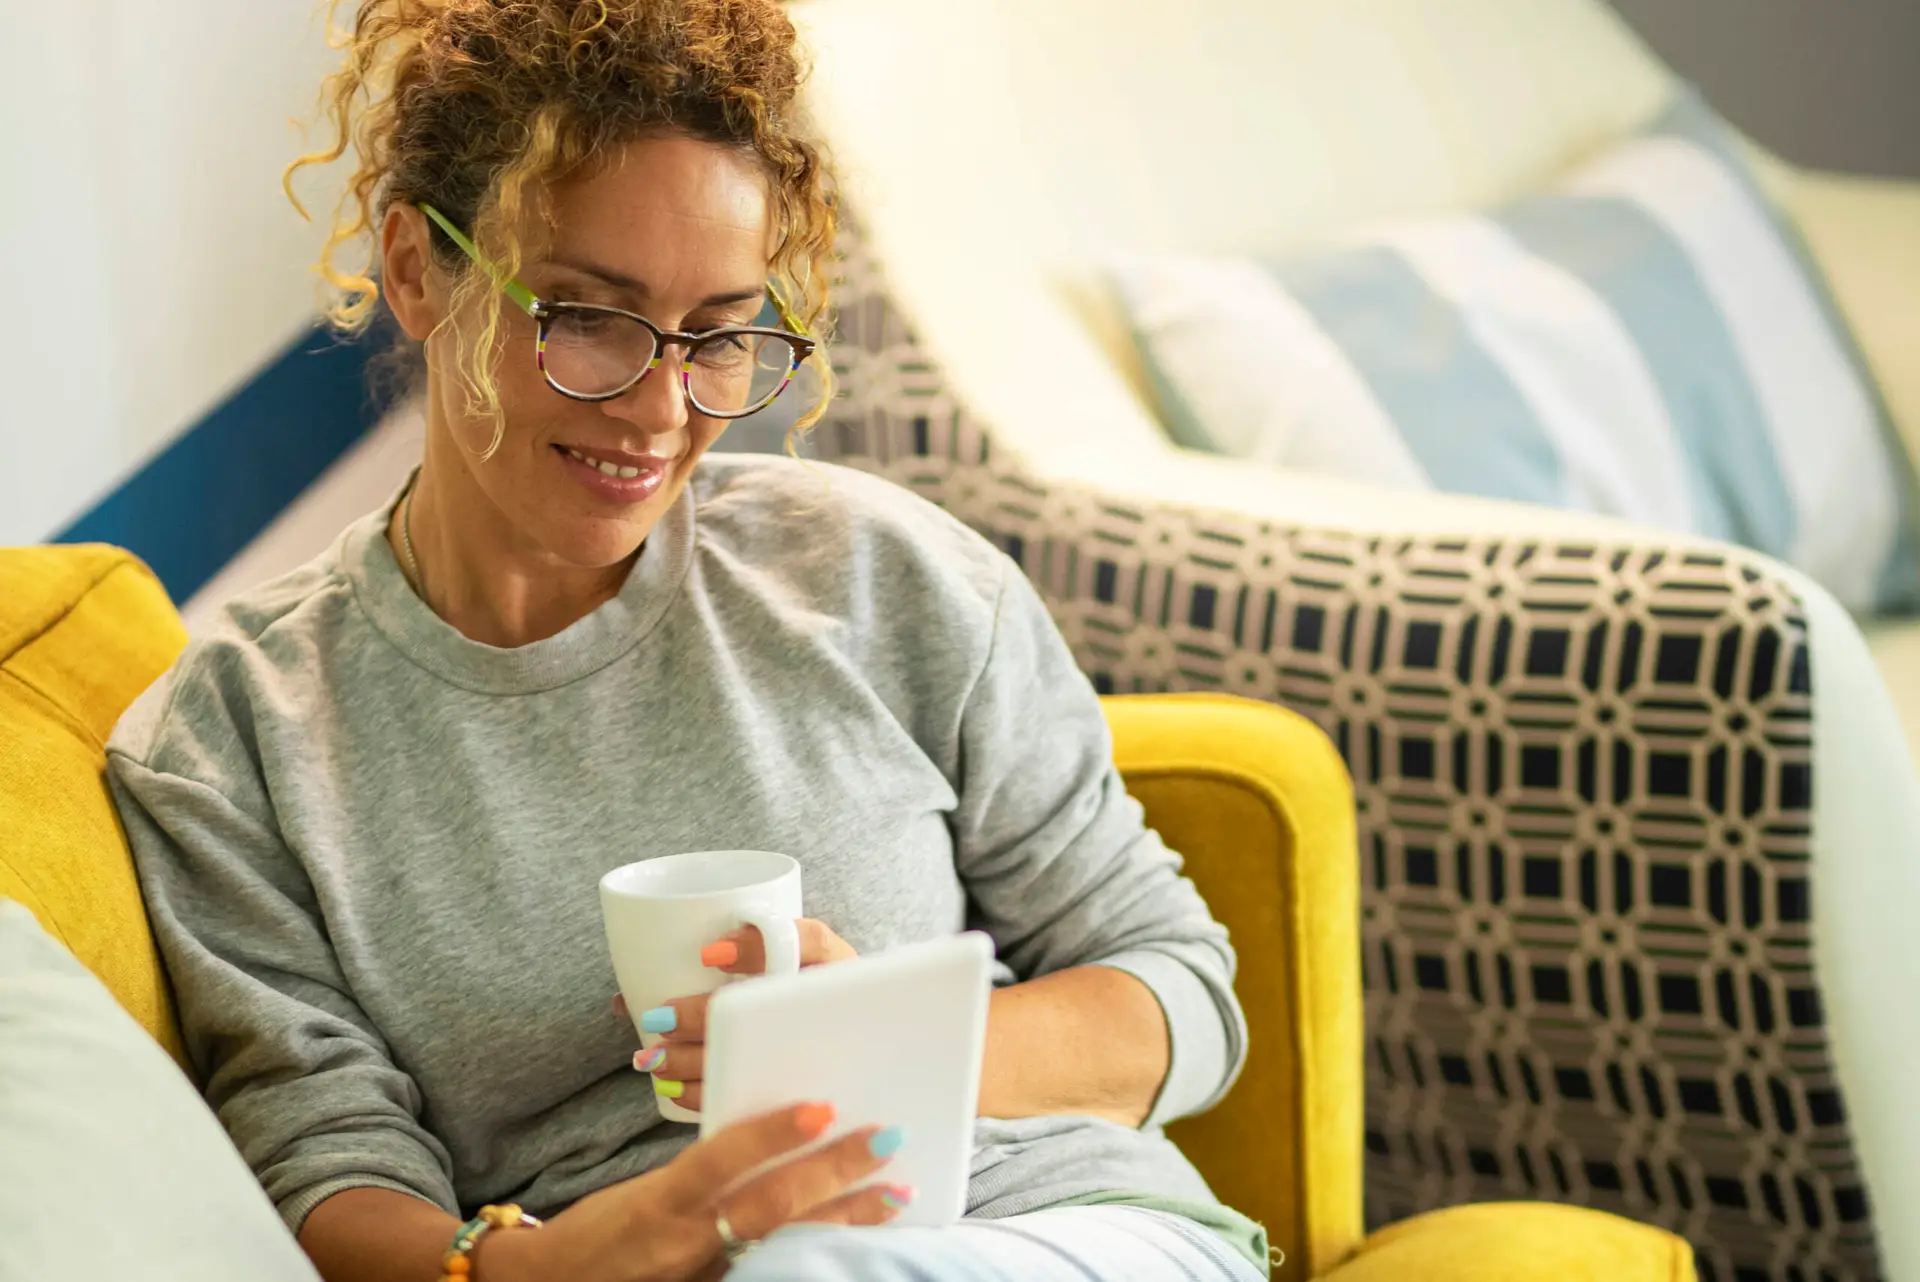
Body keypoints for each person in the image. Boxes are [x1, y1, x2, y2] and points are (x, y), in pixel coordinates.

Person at [106, 2, 1267, 1279]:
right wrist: (570, 1255)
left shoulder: (880, 577)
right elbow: (327, 1161)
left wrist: (890, 1046)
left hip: (1058, 1231)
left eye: (720, 332)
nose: (663, 408)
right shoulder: (234, 739)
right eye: (587, 315)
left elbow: (1182, 995)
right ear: (417, 270)